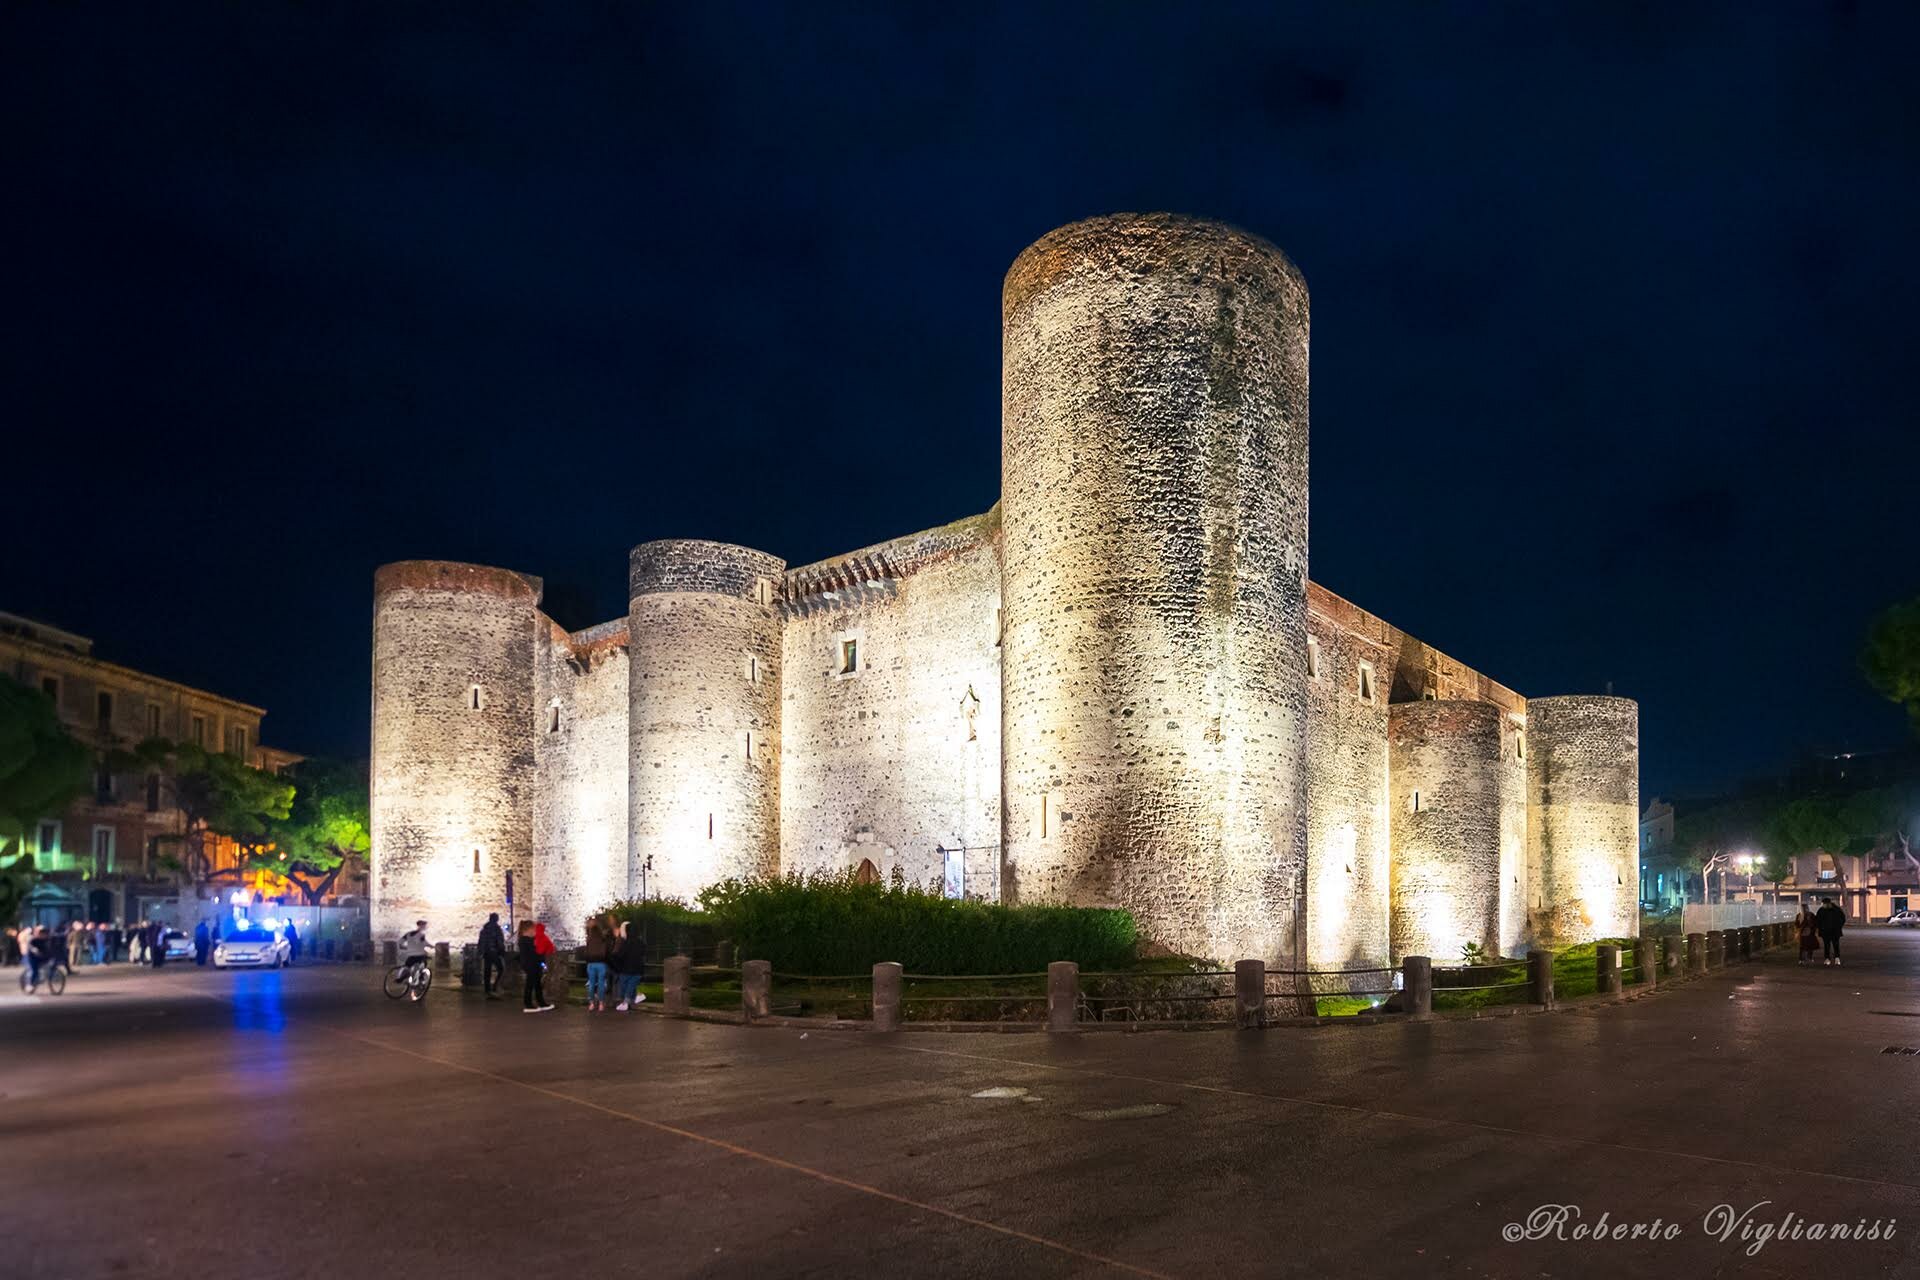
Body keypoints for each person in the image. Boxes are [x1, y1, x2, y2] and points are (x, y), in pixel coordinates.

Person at [611, 919, 648, 1012]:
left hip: (626, 968)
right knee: (631, 985)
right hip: (637, 968)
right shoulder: (640, 942)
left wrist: (616, 961)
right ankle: (636, 996)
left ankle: (626, 1002)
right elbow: (643, 953)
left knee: (625, 985)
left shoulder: (625, 942)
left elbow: (620, 955)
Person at [518, 920, 550, 1012]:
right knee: (530, 984)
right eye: (534, 929)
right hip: (531, 965)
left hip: (534, 965)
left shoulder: (528, 940)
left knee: (537, 984)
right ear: (529, 930)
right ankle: (528, 1004)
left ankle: (541, 1002)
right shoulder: (526, 940)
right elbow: (535, 953)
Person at [582, 915, 613, 1012]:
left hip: (591, 963)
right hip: (601, 963)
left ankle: (591, 1003)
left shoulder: (589, 939)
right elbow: (608, 951)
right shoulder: (603, 939)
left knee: (591, 983)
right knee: (601, 983)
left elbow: (586, 952)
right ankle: (601, 1003)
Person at [478, 912, 507, 1000]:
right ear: (496, 919)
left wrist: (481, 952)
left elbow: (481, 942)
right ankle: (495, 986)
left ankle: (487, 989)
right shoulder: (496, 929)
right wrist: (502, 950)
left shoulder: (484, 929)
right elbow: (499, 941)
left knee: (487, 971)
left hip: (486, 953)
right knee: (501, 969)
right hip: (494, 952)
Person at [1816, 897, 1847, 966]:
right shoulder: (1837, 910)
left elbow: (1817, 921)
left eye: (1824, 904)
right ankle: (1835, 958)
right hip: (1833, 931)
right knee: (1833, 945)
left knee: (1830, 945)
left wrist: (1820, 928)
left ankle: (1830, 959)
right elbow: (1843, 919)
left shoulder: (1822, 910)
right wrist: (1839, 926)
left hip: (1828, 931)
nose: (1823, 905)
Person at [1794, 901, 1819, 965]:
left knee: (1808, 946)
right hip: (1804, 933)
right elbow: (1797, 924)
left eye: (1805, 908)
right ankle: (1802, 959)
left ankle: (1806, 958)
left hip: (1808, 932)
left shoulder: (1803, 915)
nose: (1804, 910)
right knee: (1803, 946)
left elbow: (1797, 924)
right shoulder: (1801, 915)